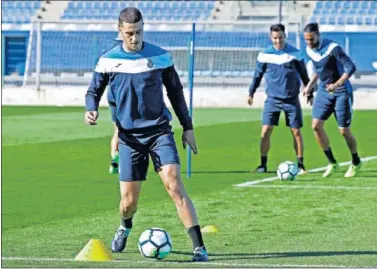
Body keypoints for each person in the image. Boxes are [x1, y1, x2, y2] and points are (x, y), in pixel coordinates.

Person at [84, 7, 208, 262]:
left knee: (173, 182)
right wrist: (91, 109)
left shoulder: (160, 57)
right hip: (129, 139)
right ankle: (125, 226)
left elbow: (176, 94)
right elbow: (93, 92)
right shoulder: (108, 60)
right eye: (130, 33)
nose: (135, 37)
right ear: (120, 31)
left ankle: (199, 247)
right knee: (128, 202)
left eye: (139, 32)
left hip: (160, 132)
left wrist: (188, 127)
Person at [248, 23, 310, 174]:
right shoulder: (264, 55)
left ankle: (301, 165)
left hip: (291, 99)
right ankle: (262, 165)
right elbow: (258, 76)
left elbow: (304, 75)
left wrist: (310, 92)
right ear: (271, 38)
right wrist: (251, 92)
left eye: (280, 37)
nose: (278, 41)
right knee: (266, 131)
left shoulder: (295, 53)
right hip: (272, 100)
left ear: (285, 36)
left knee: (296, 131)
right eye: (275, 38)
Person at [302, 22, 362, 178]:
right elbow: (319, 70)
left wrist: (337, 84)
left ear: (318, 35)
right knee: (315, 126)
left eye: (311, 39)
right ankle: (332, 163)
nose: (309, 43)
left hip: (341, 91)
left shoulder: (333, 48)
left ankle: (356, 162)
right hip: (323, 91)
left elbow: (351, 67)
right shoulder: (310, 50)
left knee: (344, 131)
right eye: (306, 40)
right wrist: (309, 85)